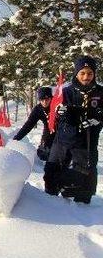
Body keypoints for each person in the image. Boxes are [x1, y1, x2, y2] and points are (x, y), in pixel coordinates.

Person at [44, 56, 103, 204]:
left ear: (94, 74)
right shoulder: (66, 92)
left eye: (89, 73)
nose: (86, 77)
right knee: (52, 172)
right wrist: (60, 113)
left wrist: (97, 119)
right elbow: (53, 115)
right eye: (82, 73)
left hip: (87, 142)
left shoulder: (100, 93)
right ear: (76, 73)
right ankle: (49, 204)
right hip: (64, 139)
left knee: (85, 177)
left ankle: (82, 209)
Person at [12, 86, 55, 161]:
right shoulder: (38, 109)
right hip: (48, 130)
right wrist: (16, 139)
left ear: (51, 98)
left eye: (47, 99)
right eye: (42, 99)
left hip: (62, 130)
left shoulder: (58, 105)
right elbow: (28, 125)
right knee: (43, 152)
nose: (44, 102)